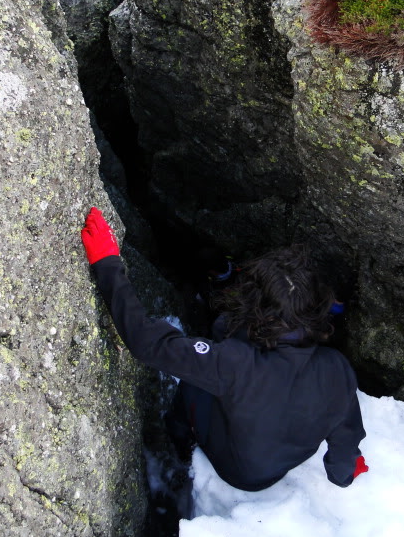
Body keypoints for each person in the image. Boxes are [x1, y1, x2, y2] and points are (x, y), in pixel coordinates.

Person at [81, 207, 368, 491]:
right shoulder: (337, 368)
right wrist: (345, 471)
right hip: (278, 467)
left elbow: (147, 343)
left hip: (236, 470)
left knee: (196, 383)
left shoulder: (233, 363)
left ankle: (179, 439)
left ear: (256, 306)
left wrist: (107, 264)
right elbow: (346, 433)